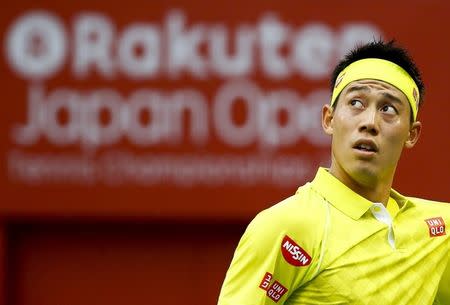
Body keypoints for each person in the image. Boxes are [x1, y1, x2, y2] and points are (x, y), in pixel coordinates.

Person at [217, 40, 450, 305]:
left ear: (412, 133)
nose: (369, 122)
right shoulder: (287, 227)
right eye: (356, 103)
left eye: (388, 109)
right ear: (329, 119)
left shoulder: (441, 231)